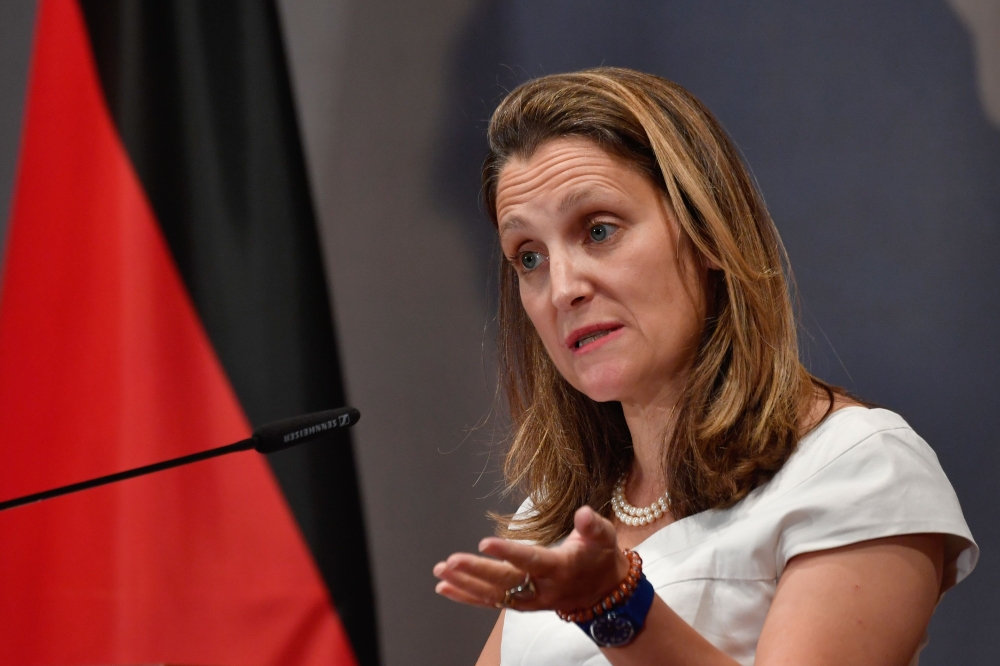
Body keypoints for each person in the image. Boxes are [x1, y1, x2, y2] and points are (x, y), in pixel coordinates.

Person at [432, 67, 977, 666]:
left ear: (708, 232)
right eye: (528, 256)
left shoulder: (858, 466)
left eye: (599, 230)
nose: (562, 288)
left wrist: (617, 608)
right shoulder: (557, 519)